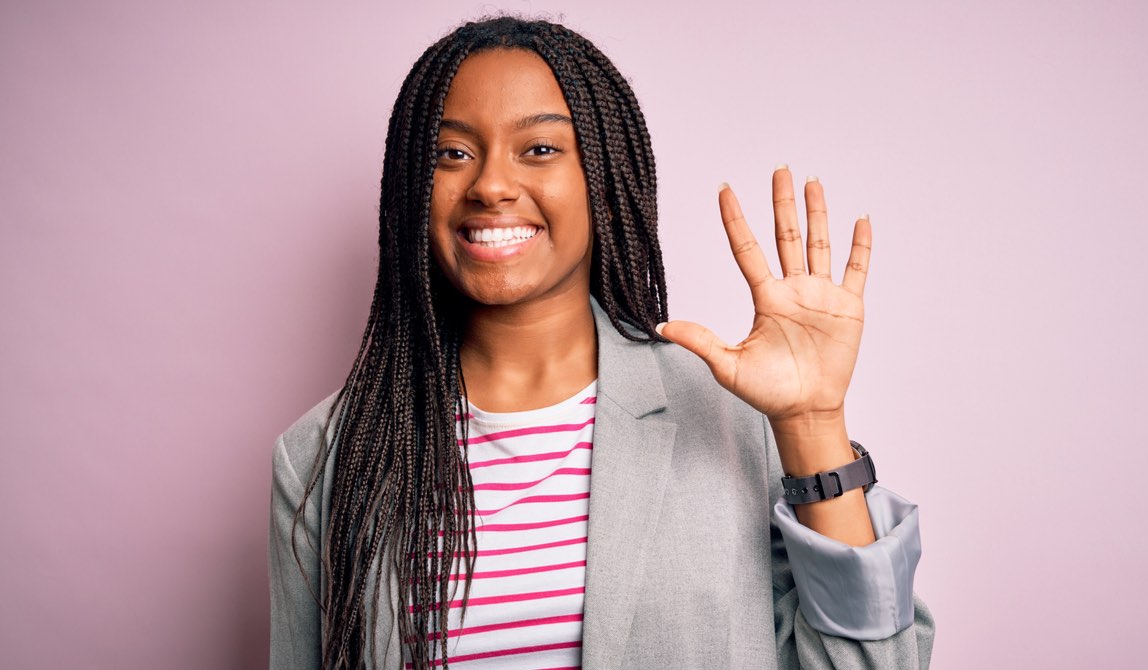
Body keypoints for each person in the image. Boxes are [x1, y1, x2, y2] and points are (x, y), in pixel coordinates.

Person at [269, 15, 934, 670]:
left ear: (607, 181)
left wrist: (814, 425)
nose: (490, 185)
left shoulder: (733, 419)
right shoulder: (324, 457)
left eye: (540, 149)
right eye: (452, 153)